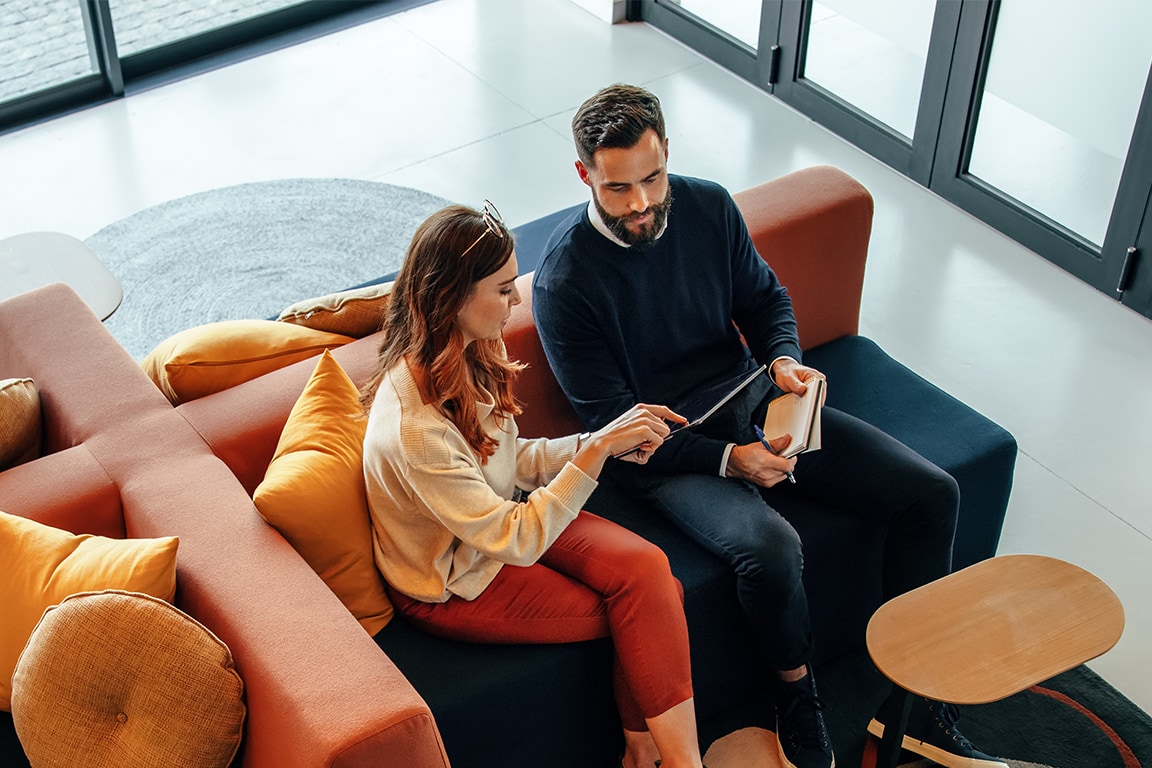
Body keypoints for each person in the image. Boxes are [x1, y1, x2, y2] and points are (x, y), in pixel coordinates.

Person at [531, 83, 1008, 768]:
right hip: (665, 452)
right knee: (772, 549)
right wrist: (731, 462)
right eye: (618, 189)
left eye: (653, 177)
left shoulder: (708, 206)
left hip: (754, 402)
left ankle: (921, 704)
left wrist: (784, 360)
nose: (641, 204)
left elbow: (764, 298)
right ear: (585, 175)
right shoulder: (565, 280)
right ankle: (795, 693)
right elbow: (616, 428)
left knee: (932, 494)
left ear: (668, 153)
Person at [360, 201, 707, 768]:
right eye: (502, 289)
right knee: (652, 604)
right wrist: (591, 456)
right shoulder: (416, 430)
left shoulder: (468, 350)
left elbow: (510, 459)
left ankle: (645, 754)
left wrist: (605, 441)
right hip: (453, 580)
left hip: (500, 520)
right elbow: (515, 541)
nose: (516, 300)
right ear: (450, 296)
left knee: (649, 574)